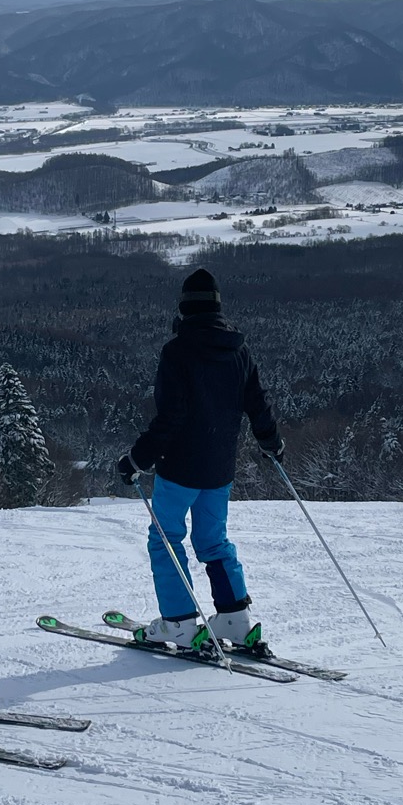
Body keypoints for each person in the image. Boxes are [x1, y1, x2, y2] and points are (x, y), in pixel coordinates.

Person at [118, 268, 283, 649]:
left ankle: (178, 623)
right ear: (218, 306)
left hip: (179, 470)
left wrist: (136, 460)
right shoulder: (239, 351)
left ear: (184, 307)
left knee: (166, 538)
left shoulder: (177, 352)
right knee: (213, 540)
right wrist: (271, 442)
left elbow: (170, 417)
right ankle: (234, 620)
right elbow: (256, 403)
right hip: (219, 468)